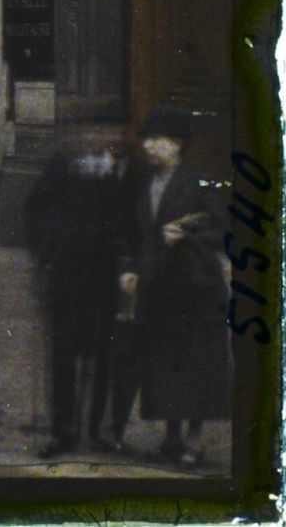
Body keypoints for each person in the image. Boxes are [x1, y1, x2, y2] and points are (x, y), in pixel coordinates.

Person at [120, 106, 228, 468]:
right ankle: (171, 438)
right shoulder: (145, 185)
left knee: (196, 365)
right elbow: (142, 237)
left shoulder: (198, 181)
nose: (148, 146)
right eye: (146, 140)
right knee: (164, 365)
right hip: (160, 289)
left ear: (178, 144)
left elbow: (222, 229)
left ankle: (194, 443)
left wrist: (186, 234)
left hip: (197, 289)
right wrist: (133, 270)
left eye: (157, 140)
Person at [26, 122, 133, 458]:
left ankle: (96, 431)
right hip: (67, 275)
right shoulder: (62, 165)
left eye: (107, 132)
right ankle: (62, 432)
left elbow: (130, 219)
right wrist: (47, 252)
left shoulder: (123, 171)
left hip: (104, 276)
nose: (100, 138)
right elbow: (34, 208)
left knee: (102, 356)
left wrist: (126, 257)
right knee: (63, 355)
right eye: (93, 132)